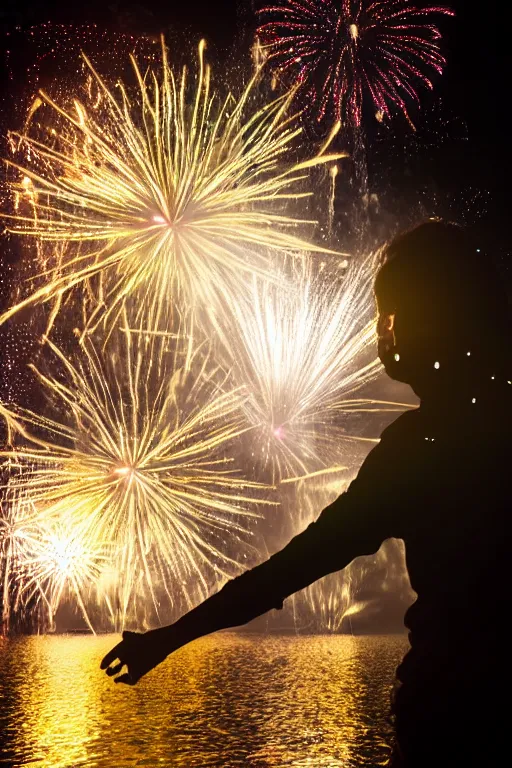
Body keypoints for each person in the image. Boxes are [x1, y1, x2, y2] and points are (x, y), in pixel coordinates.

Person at [101, 221, 511, 766]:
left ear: (442, 320)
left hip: (446, 722)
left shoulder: (416, 452)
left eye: (397, 313)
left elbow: (290, 570)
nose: (386, 331)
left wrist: (169, 639)